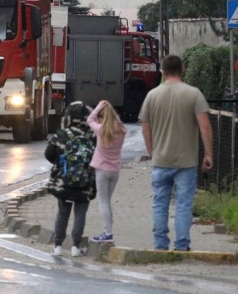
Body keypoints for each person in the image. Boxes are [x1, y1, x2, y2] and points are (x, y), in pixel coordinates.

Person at [139, 54, 213, 251]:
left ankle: (160, 244)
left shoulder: (152, 95)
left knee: (159, 203)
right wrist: (208, 154)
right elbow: (205, 126)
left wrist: (152, 151)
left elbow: (145, 128)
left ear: (162, 72)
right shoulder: (194, 94)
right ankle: (182, 245)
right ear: (183, 70)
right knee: (183, 205)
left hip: (160, 160)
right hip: (186, 162)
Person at [44, 101, 96, 257]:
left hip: (63, 182)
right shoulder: (90, 136)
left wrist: (61, 164)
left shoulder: (61, 134)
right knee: (80, 212)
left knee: (63, 211)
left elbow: (48, 154)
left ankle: (58, 245)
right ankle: (75, 247)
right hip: (85, 182)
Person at [87, 100, 126, 244]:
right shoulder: (122, 130)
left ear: (102, 117)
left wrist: (98, 106)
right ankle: (108, 230)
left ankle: (107, 232)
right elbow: (116, 121)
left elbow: (90, 119)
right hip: (115, 170)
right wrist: (110, 110)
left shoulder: (101, 130)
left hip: (102, 170)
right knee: (107, 201)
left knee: (103, 202)